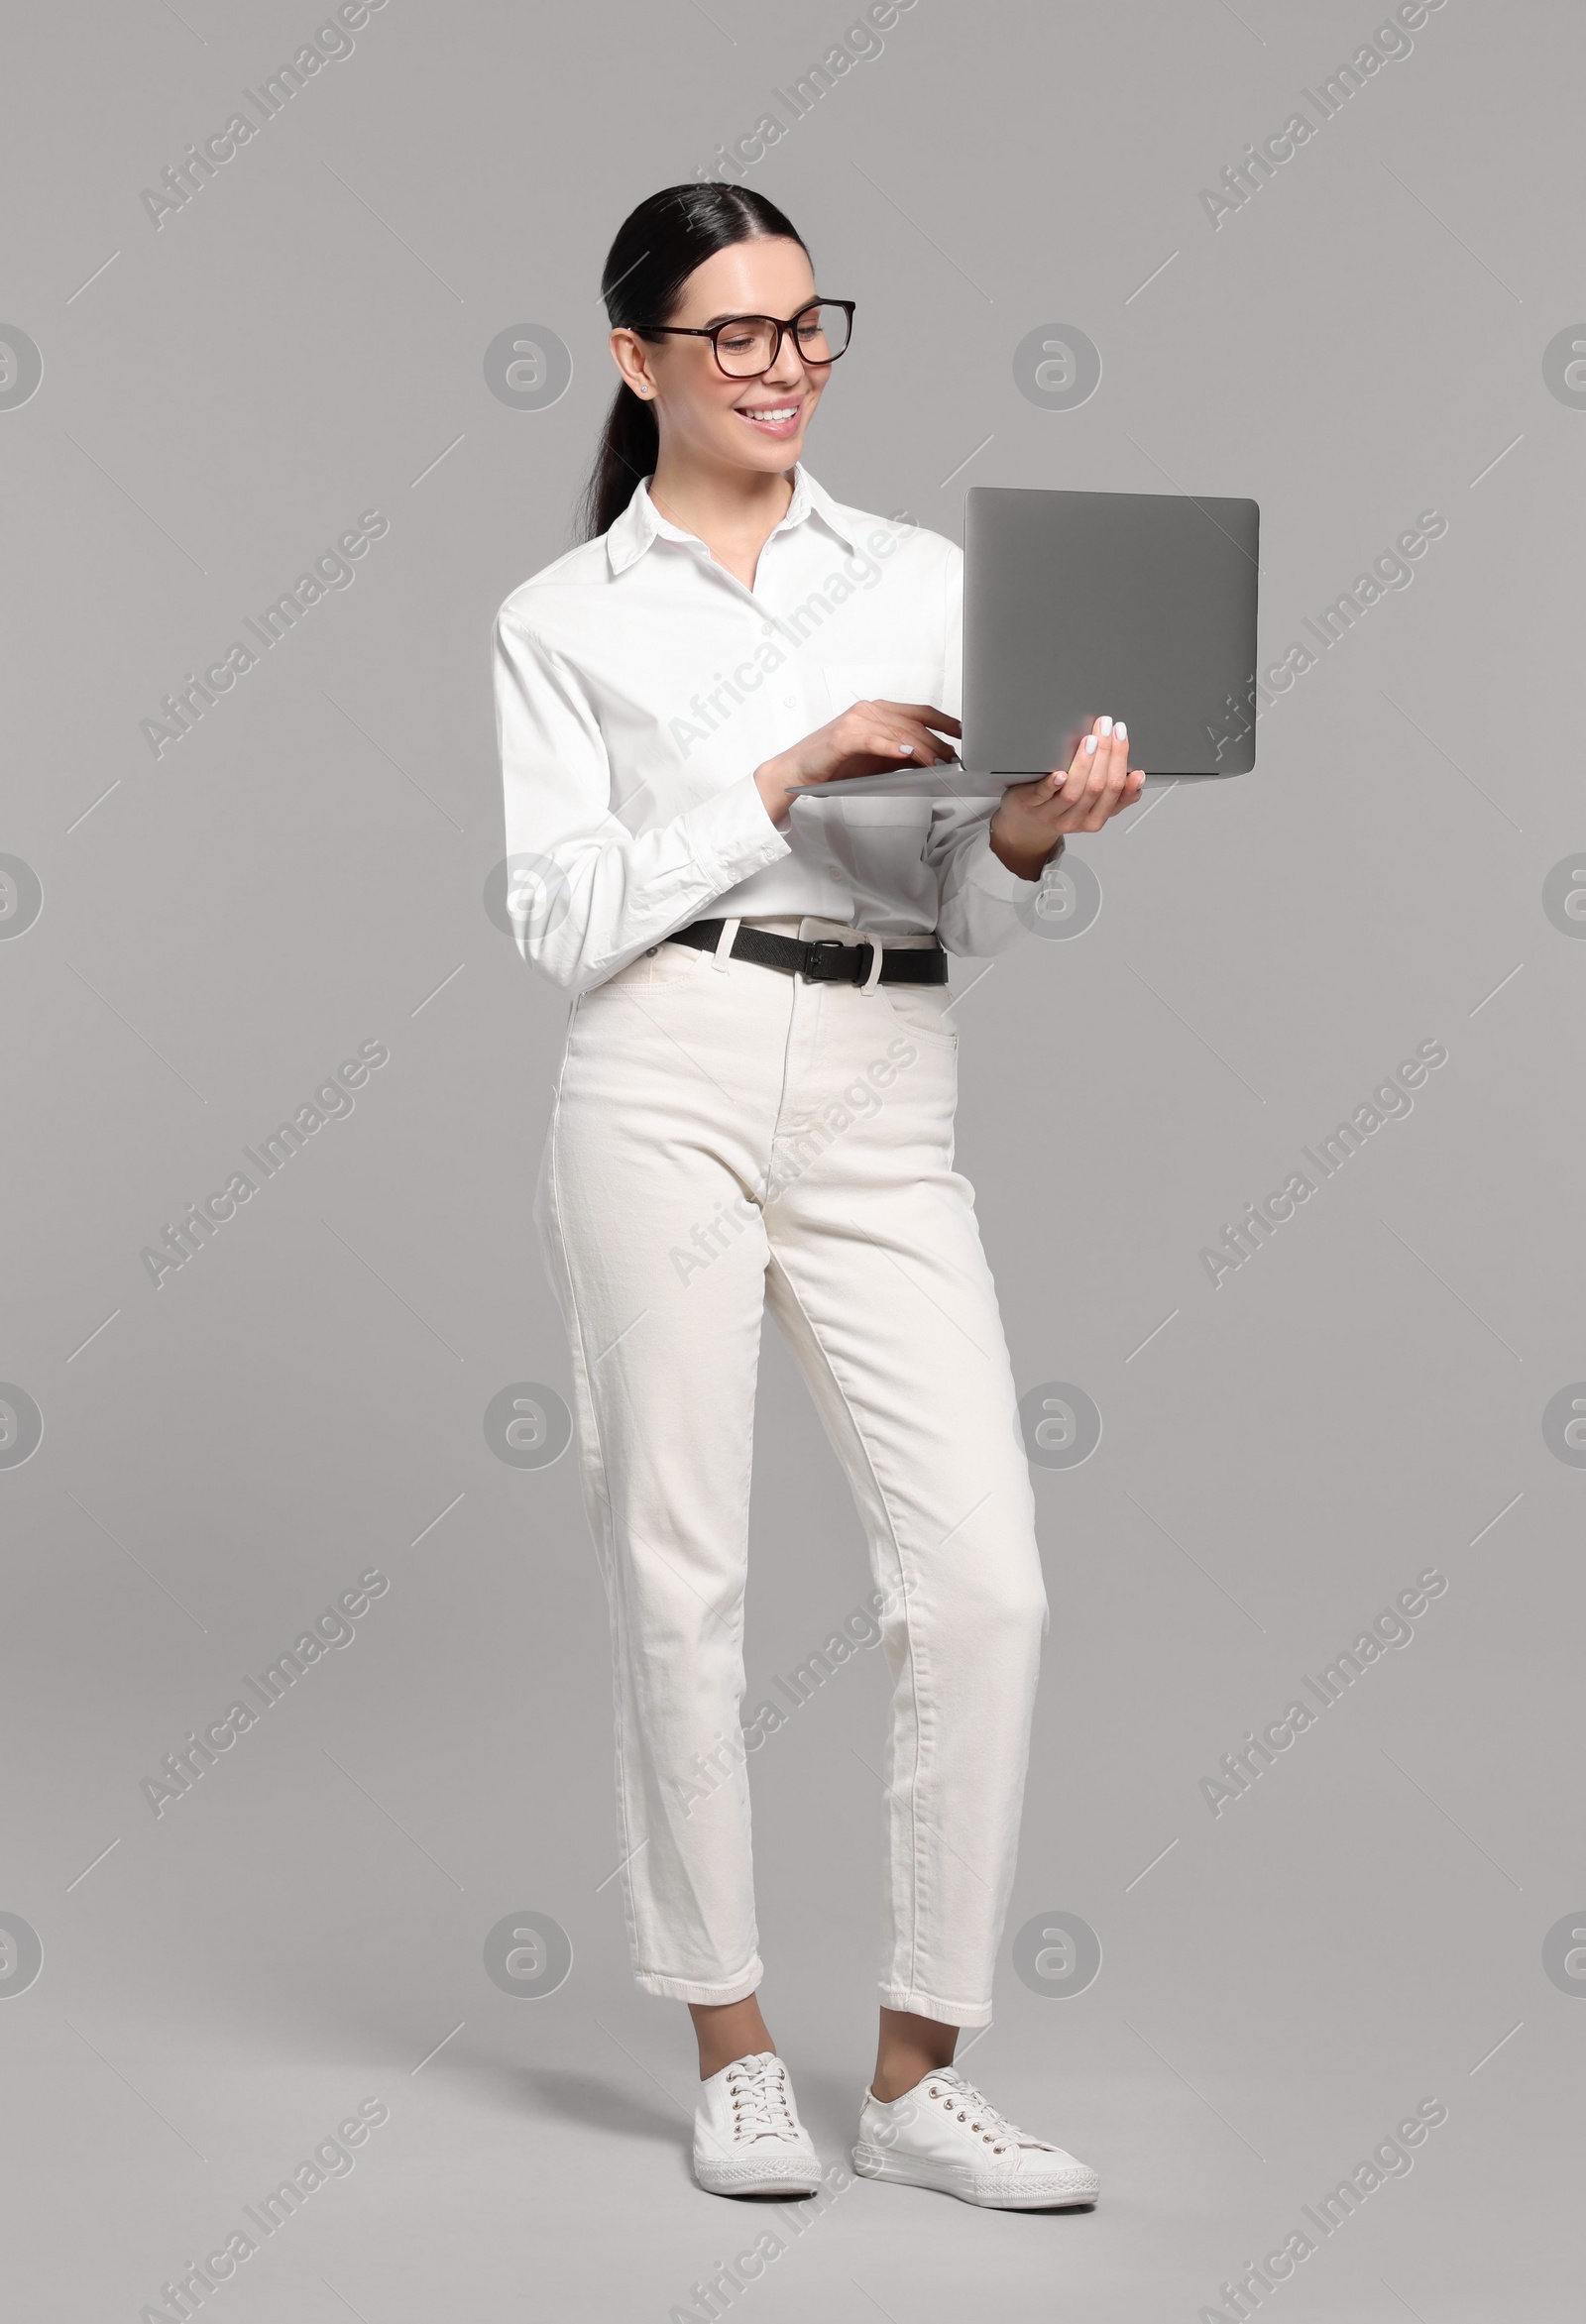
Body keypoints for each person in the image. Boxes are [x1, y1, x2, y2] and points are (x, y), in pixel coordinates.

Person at [494, 182, 1142, 2210]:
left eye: (805, 327)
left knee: (983, 1582)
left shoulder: (922, 578)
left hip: (883, 1071)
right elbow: (551, 915)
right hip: (662, 1067)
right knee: (679, 1572)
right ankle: (731, 2043)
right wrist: (775, 773)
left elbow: (959, 897)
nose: (780, 367)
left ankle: (918, 2074)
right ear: (636, 361)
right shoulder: (559, 619)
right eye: (733, 336)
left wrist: (1030, 833)